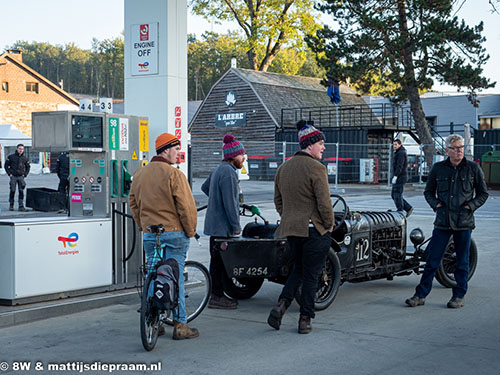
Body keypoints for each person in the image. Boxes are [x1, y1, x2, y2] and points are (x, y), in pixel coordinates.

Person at [129, 132, 199, 339]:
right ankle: (180, 325)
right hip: (174, 233)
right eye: (176, 149)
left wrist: (144, 225)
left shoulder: (140, 174)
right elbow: (186, 207)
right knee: (175, 277)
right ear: (166, 150)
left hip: (151, 234)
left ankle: (154, 321)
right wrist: (191, 230)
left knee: (152, 275)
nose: (179, 153)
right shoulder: (174, 174)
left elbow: (133, 204)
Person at [406, 134, 488, 309]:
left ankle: (458, 296)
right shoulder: (438, 169)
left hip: (463, 223)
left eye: (461, 147)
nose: (459, 151)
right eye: (455, 148)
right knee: (432, 261)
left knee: (462, 262)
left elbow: (483, 194)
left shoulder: (473, 169)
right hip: (442, 222)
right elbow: (428, 192)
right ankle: (420, 295)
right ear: (447, 150)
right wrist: (435, 204)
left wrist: (470, 206)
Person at [267, 120, 334, 334]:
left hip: (293, 231)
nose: (323, 147)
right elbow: (324, 202)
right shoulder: (317, 168)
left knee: (298, 269)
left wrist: (288, 218)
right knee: (311, 275)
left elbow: (278, 200)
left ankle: (282, 305)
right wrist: (329, 224)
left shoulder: (283, 168)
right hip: (315, 230)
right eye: (321, 143)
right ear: (310, 145)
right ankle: (305, 319)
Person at [201, 134, 245, 310]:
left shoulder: (219, 169)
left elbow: (205, 187)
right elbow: (230, 204)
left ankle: (217, 294)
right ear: (233, 156)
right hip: (223, 228)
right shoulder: (229, 173)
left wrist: (215, 201)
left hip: (214, 226)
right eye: (242, 154)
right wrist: (236, 227)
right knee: (219, 264)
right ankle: (217, 296)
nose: (244, 157)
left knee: (217, 262)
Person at [5, 144, 30, 211]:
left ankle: (21, 206)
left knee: (21, 191)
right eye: (19, 149)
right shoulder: (11, 157)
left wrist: (25, 174)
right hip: (13, 176)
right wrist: (9, 173)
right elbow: (6, 166)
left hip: (21, 177)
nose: (21, 150)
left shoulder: (25, 158)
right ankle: (11, 205)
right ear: (17, 149)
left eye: (22, 149)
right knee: (12, 190)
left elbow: (28, 167)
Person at [391, 139, 413, 217]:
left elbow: (400, 165)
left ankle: (400, 210)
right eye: (393, 144)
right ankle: (408, 208)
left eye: (396, 144)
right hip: (399, 176)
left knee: (397, 194)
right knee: (394, 195)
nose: (394, 146)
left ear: (400, 145)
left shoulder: (401, 153)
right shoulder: (398, 152)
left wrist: (396, 176)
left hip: (401, 176)